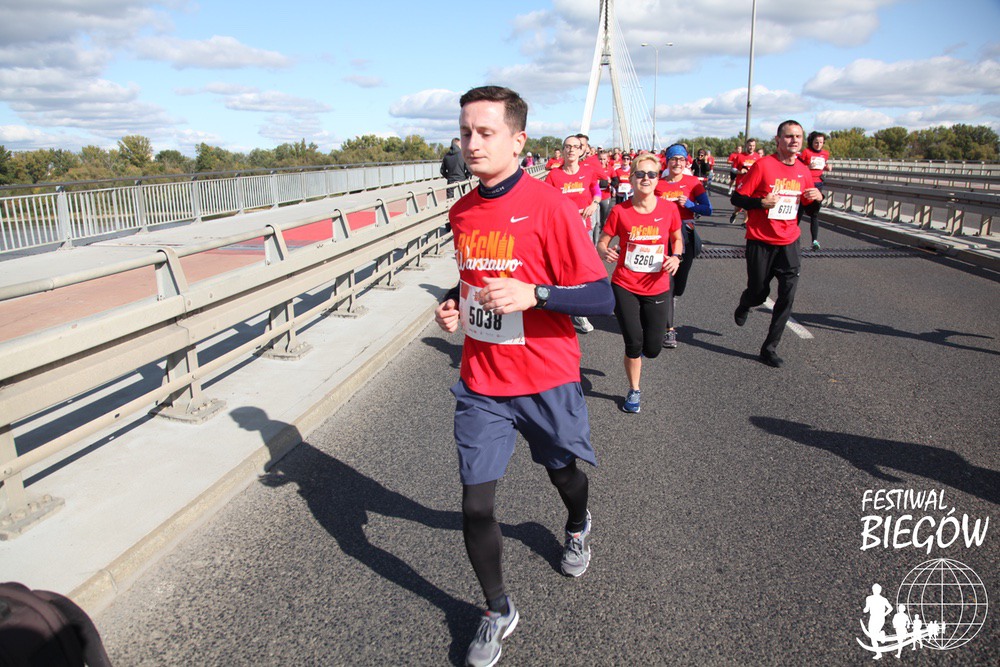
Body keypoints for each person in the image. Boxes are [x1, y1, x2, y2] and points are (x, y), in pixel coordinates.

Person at [434, 85, 614, 667]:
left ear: (518, 140)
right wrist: (452, 303)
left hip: (545, 379)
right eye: (466, 132)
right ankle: (497, 610)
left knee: (563, 474)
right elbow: (473, 278)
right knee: (475, 506)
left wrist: (536, 294)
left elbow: (601, 296)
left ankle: (578, 523)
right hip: (482, 381)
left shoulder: (551, 207)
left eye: (485, 132)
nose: (472, 143)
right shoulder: (462, 211)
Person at [731, 120, 822, 368]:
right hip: (760, 240)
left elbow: (810, 209)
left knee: (787, 296)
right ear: (778, 140)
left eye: (798, 136)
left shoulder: (803, 171)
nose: (794, 140)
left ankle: (769, 348)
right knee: (759, 292)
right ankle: (746, 302)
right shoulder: (763, 166)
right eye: (789, 136)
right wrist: (760, 203)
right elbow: (737, 198)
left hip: (789, 241)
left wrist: (818, 198)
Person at [597, 153, 682, 413]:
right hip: (625, 284)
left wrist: (676, 257)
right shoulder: (620, 211)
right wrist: (604, 251)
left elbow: (677, 238)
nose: (646, 178)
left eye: (652, 174)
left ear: (658, 179)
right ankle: (634, 390)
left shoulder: (669, 209)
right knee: (633, 343)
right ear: (632, 178)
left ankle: (643, 352)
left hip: (657, 286)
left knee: (653, 349)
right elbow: (603, 241)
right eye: (641, 174)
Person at [654, 144, 713, 348]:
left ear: (686, 162)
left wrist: (690, 205)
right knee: (667, 284)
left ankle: (670, 302)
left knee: (679, 286)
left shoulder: (693, 182)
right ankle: (668, 330)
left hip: (686, 237)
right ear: (667, 162)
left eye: (681, 159)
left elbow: (708, 209)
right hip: (663, 238)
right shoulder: (658, 184)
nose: (677, 163)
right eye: (673, 159)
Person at [544, 134, 604, 333]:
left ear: (581, 150)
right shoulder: (554, 175)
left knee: (582, 267)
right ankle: (562, 307)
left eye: (575, 147)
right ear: (563, 150)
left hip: (583, 227)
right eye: (567, 146)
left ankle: (580, 311)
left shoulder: (587, 171)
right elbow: (545, 201)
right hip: (561, 228)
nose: (571, 150)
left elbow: (596, 191)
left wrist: (594, 203)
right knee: (562, 268)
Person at [797, 131, 832, 250]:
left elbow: (823, 165)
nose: (818, 144)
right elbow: (797, 166)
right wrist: (807, 167)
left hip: (818, 185)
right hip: (805, 184)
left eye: (821, 142)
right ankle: (791, 238)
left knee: (815, 213)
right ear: (811, 142)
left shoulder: (825, 154)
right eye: (816, 142)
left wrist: (827, 167)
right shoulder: (806, 152)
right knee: (799, 212)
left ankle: (815, 241)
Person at [728, 138, 758, 223]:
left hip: (752, 184)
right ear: (746, 146)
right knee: (739, 205)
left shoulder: (757, 157)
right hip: (741, 183)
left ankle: (745, 222)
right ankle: (735, 213)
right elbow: (733, 169)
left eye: (753, 146)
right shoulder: (740, 156)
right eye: (750, 146)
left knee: (748, 204)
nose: (751, 147)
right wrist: (740, 172)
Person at [863, 584, 893, 660]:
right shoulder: (869, 598)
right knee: (872, 636)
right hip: (874, 617)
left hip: (878, 618)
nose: (875, 590)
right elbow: (867, 608)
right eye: (874, 589)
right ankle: (878, 652)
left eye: (876, 589)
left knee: (873, 635)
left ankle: (881, 635)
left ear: (879, 590)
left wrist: (884, 614)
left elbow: (890, 608)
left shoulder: (882, 599)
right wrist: (865, 610)